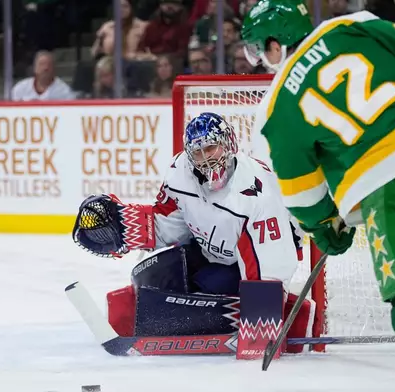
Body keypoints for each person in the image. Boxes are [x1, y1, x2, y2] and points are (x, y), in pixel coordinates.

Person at [241, 1, 395, 391]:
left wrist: (327, 225)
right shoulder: (351, 25)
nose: (262, 61)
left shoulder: (276, 106)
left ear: (276, 45)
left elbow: (303, 195)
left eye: (261, 49)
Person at [72, 113, 311, 349]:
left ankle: (290, 313)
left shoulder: (256, 191)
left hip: (250, 265)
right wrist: (129, 228)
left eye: (211, 148)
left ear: (228, 144)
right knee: (153, 275)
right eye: (198, 152)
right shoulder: (180, 172)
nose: (205, 159)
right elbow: (171, 222)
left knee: (204, 288)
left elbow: (271, 261)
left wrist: (261, 326)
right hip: (211, 253)